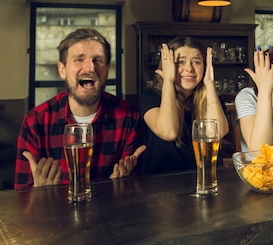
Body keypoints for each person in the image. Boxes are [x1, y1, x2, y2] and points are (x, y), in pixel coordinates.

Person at [15, 28, 146, 190]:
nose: (90, 68)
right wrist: (39, 191)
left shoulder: (129, 118)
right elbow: (21, 197)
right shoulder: (35, 121)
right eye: (79, 59)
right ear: (62, 70)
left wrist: (121, 185)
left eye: (98, 60)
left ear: (107, 70)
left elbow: (136, 193)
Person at [138, 36, 229, 174]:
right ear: (167, 65)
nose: (189, 69)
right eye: (180, 62)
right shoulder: (151, 96)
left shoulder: (212, 99)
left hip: (206, 180)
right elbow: (168, 131)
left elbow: (216, 133)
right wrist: (168, 81)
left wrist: (209, 83)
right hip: (162, 187)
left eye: (196, 62)